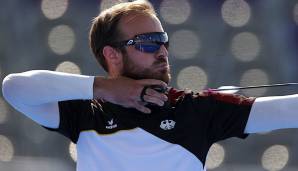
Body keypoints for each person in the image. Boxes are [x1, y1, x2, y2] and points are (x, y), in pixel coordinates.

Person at [2, 0, 298, 171]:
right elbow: (14, 88)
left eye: (163, 41)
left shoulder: (196, 109)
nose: (163, 51)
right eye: (148, 43)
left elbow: (288, 109)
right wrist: (105, 88)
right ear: (111, 55)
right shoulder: (87, 112)